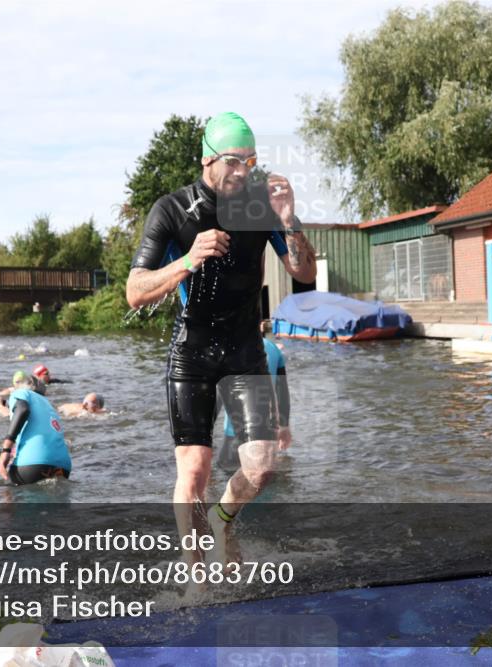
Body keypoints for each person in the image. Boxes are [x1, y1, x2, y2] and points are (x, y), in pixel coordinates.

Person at [125, 111, 317, 573]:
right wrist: (188, 260)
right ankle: (197, 579)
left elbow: (304, 273)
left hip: (244, 350)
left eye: (249, 161)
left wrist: (289, 221)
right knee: (193, 470)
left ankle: (223, 518)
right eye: (233, 160)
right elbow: (135, 292)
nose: (242, 171)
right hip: (192, 352)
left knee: (262, 467)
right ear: (208, 159)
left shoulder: (261, 205)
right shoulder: (172, 209)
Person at [217, 337, 291, 470]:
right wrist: (284, 427)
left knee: (226, 478)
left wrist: (203, 440)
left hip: (234, 436)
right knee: (264, 480)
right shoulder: (272, 348)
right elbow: (282, 392)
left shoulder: (226, 347)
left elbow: (216, 398)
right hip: (267, 438)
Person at [0, 376, 72, 485]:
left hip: (34, 462)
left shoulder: (22, 393)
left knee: (6, 491)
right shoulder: (49, 406)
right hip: (64, 466)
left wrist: (6, 449)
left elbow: (23, 409)